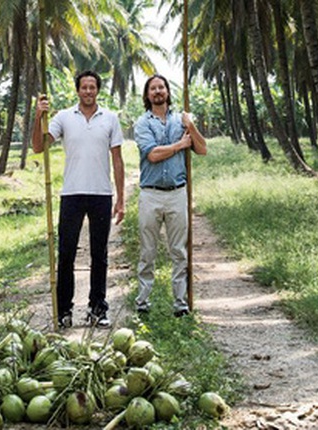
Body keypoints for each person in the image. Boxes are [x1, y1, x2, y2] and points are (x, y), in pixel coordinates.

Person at [32, 70, 125, 329]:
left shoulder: (110, 118)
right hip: (71, 194)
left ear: (98, 90)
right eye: (84, 87)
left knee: (100, 254)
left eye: (92, 87)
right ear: (77, 90)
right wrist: (39, 115)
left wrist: (121, 199)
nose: (88, 91)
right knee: (67, 254)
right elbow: (39, 147)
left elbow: (117, 160)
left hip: (101, 194)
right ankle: (64, 310)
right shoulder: (62, 117)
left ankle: (97, 308)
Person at [133, 74, 207, 317]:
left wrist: (191, 126)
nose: (157, 91)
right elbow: (152, 155)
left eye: (161, 87)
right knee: (148, 251)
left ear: (167, 91)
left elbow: (202, 149)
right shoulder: (142, 123)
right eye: (153, 88)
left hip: (177, 193)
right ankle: (143, 303)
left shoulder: (181, 120)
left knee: (179, 250)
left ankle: (180, 304)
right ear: (147, 95)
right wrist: (179, 145)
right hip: (150, 194)